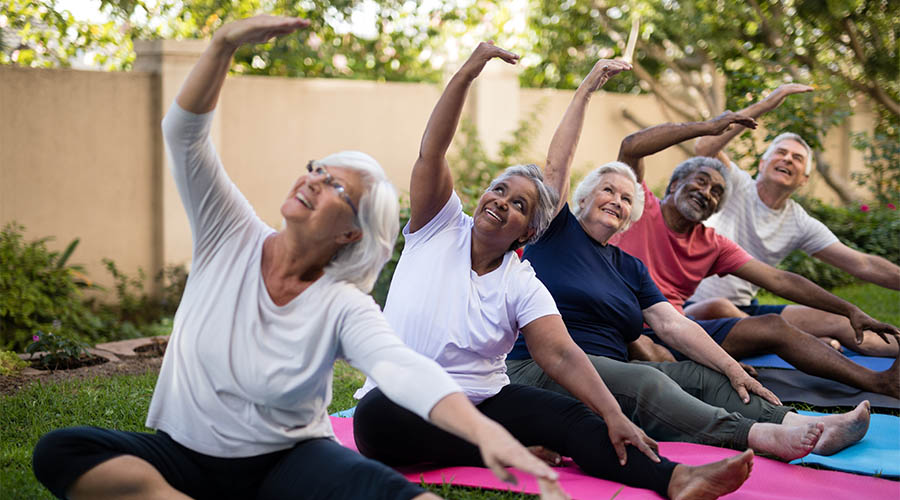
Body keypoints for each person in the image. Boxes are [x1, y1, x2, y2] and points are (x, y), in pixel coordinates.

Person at [30, 16, 567, 500]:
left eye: (336, 185)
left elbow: (402, 370)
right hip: (183, 455)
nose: (314, 180)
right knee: (63, 449)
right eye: (318, 168)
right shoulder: (229, 234)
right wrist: (222, 44)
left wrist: (486, 434)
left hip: (289, 463)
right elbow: (184, 137)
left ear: (352, 235)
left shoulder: (343, 304)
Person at [352, 42, 762, 500]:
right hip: (401, 403)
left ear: (529, 231)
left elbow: (563, 356)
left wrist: (613, 413)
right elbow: (433, 150)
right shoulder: (438, 227)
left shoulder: (522, 282)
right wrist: (468, 72)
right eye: (499, 190)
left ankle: (676, 479)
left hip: (484, 401)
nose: (501, 202)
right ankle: (501, 448)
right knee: (375, 419)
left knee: (576, 418)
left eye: (519, 205)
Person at [506, 60, 871, 458]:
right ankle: (755, 436)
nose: (617, 200)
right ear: (583, 196)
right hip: (544, 369)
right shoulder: (556, 230)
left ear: (631, 215)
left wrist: (730, 366)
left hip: (610, 374)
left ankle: (794, 422)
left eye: (627, 199)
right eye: (608, 190)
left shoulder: (629, 267)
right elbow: (558, 162)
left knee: (704, 375)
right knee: (650, 383)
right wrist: (587, 90)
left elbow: (673, 325)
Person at [606, 114, 900, 399]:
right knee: (647, 348)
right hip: (622, 325)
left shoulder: (713, 244)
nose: (706, 193)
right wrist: (706, 127)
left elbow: (780, 281)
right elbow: (631, 146)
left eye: (716, 192)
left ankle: (879, 382)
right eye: (700, 182)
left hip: (675, 332)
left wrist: (849, 310)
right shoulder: (640, 206)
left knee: (773, 325)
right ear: (674, 185)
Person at [683, 84, 899, 357]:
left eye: (797, 158)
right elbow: (703, 147)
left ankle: (801, 340)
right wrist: (765, 105)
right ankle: (801, 341)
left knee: (840, 321)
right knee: (720, 308)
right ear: (762, 164)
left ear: (804, 180)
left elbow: (863, 264)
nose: (787, 159)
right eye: (780, 152)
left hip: (746, 310)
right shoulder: (734, 183)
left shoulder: (798, 222)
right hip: (692, 307)